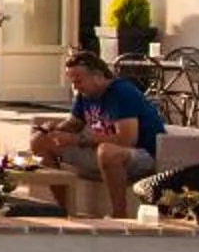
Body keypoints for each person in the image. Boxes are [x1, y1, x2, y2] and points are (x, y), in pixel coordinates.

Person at [29, 49, 166, 218]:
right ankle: (65, 210)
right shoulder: (85, 94)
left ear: (98, 76)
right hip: (99, 150)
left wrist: (77, 139)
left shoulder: (122, 93)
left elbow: (127, 140)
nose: (75, 87)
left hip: (141, 155)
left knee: (107, 152)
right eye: (72, 81)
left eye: (78, 81)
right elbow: (74, 123)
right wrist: (53, 129)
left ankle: (119, 215)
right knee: (40, 141)